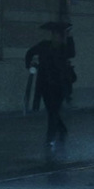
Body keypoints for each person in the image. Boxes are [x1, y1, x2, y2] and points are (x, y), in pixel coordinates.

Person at [25, 22, 76, 160]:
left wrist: (70, 36)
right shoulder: (43, 46)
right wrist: (30, 65)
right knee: (51, 110)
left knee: (53, 110)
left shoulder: (64, 49)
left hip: (59, 85)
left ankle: (50, 137)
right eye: (54, 35)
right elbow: (30, 52)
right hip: (45, 84)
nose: (56, 38)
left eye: (58, 36)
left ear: (61, 37)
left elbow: (72, 53)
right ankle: (62, 129)